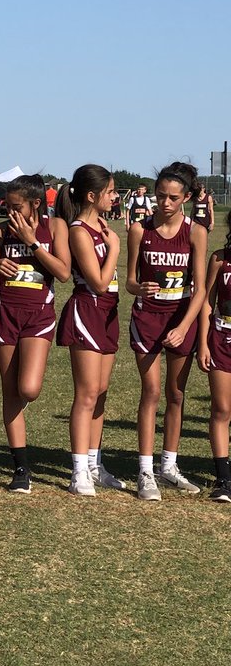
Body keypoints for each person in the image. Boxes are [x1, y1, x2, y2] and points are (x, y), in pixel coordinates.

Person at [127, 161, 207, 500]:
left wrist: (184, 325)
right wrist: (137, 288)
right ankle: (146, 470)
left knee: (176, 394)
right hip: (148, 319)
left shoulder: (197, 232)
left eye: (173, 197)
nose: (165, 203)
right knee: (152, 393)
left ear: (186, 197)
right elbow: (130, 280)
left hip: (180, 319)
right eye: (160, 196)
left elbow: (201, 289)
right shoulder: (139, 229)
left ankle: (169, 466)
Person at [0, 175, 71, 493]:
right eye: (7, 206)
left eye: (16, 206)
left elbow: (63, 272)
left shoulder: (57, 227)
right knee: (10, 393)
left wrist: (33, 242)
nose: (10, 212)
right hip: (4, 315)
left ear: (36, 204)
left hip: (38, 317)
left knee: (29, 388)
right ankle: (21, 469)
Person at [56, 164, 122, 496]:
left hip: (110, 311)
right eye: (110, 192)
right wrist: (115, 250)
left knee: (101, 392)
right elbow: (97, 282)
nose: (115, 197)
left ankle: (96, 465)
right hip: (88, 309)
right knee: (86, 394)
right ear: (92, 196)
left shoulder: (103, 226)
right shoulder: (79, 230)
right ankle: (79, 471)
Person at [197, 207, 231, 501]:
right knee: (221, 410)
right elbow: (207, 304)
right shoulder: (220, 259)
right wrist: (204, 343)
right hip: (222, 340)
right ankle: (223, 478)